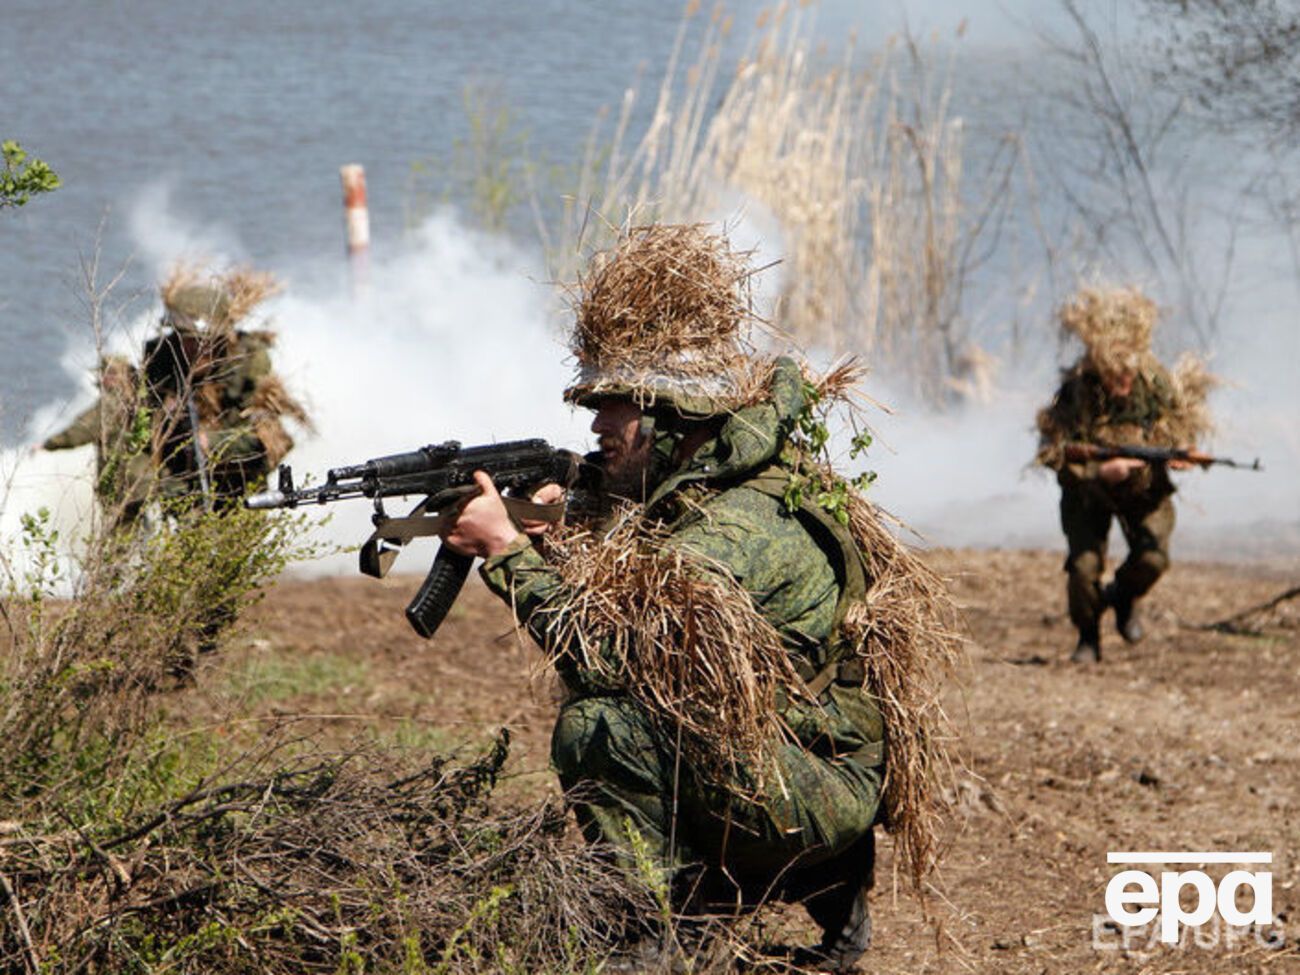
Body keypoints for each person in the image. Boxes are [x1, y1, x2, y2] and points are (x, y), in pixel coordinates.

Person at [439, 225, 957, 971]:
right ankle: (823, 882)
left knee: (599, 728)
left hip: (813, 784)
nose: (595, 424)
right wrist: (552, 531)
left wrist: (507, 555)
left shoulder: (738, 527)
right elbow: (645, 600)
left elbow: (615, 658)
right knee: (650, 724)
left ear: (664, 417)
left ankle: (658, 932)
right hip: (811, 759)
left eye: (613, 406)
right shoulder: (711, 487)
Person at [1036, 286, 1212, 664]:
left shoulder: (1155, 385)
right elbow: (1052, 453)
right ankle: (1088, 635)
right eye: (1115, 375)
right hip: (1088, 493)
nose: (1123, 382)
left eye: (1128, 374)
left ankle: (1122, 596)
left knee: (1153, 558)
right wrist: (1100, 471)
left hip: (1142, 489)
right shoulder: (1076, 394)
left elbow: (1179, 429)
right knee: (1083, 569)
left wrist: (1181, 454)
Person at [143, 266, 308, 511]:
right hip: (180, 491)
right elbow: (138, 427)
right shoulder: (162, 360)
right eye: (183, 340)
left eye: (199, 342)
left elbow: (273, 442)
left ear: (219, 340)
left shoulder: (248, 365)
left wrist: (213, 443)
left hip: (237, 490)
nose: (190, 350)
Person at [39, 355, 153, 531]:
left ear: (121, 377)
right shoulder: (143, 400)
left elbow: (82, 430)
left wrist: (48, 444)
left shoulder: (112, 402)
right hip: (146, 480)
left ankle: (125, 558)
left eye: (109, 374)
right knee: (145, 529)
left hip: (122, 481)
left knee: (121, 533)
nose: (103, 378)